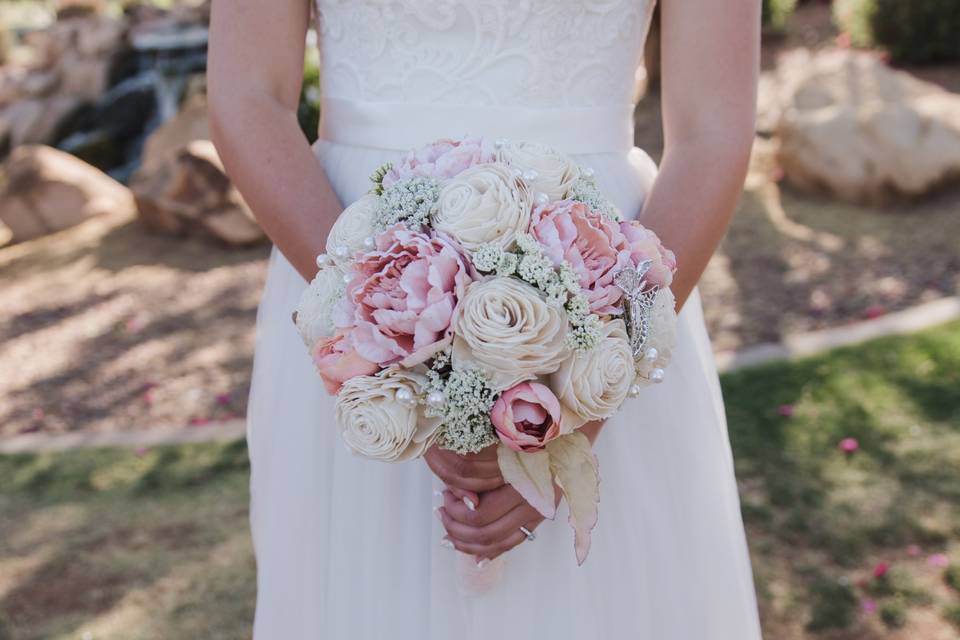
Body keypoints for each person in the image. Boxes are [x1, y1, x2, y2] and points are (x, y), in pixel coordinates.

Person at [208, 1, 763, 637]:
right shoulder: (355, 288)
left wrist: (585, 388)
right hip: (342, 248)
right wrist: (375, 324)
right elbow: (247, 94)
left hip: (601, 269)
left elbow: (712, 129)